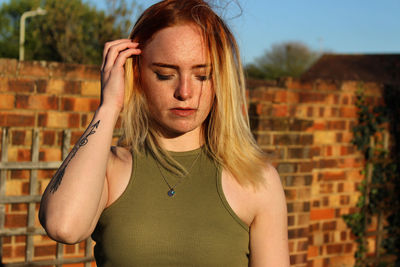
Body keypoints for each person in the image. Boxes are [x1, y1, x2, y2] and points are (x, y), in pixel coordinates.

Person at [39, 0, 290, 266]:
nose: (184, 92)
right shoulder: (110, 169)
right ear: (136, 74)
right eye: (164, 74)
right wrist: (109, 106)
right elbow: (64, 227)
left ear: (220, 81)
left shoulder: (255, 179)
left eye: (202, 76)